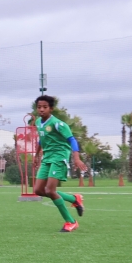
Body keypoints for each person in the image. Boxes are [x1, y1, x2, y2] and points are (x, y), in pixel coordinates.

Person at [32, 95, 87, 232]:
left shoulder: (58, 124)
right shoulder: (38, 122)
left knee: (50, 190)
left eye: (45, 107)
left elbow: (72, 140)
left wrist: (76, 158)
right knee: (38, 190)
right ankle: (74, 198)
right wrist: (37, 155)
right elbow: (42, 139)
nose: (42, 110)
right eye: (39, 107)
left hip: (59, 157)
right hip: (47, 158)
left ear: (51, 108)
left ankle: (71, 221)